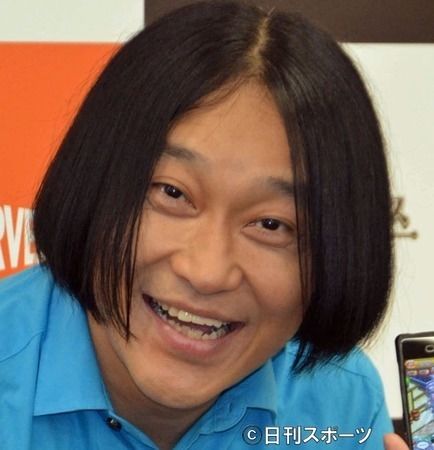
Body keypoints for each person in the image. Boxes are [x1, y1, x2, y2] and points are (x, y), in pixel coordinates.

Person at [0, 1, 410, 449]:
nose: (207, 272)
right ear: (93, 182)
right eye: (172, 193)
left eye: (271, 224)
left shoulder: (341, 403)